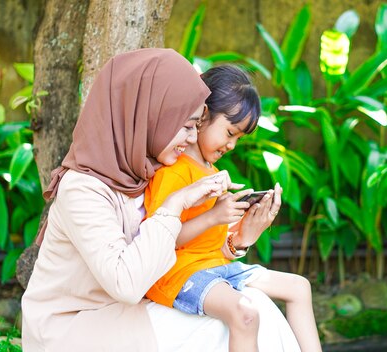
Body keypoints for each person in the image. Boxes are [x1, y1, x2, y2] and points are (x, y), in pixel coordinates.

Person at [21, 49, 300, 351]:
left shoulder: (143, 170)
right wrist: (175, 205)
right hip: (72, 329)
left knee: (256, 307)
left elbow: (177, 253)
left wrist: (239, 240)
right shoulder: (83, 189)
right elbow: (127, 283)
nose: (192, 138)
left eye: (195, 126)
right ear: (150, 115)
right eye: (185, 125)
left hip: (121, 314)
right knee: (229, 323)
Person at [144, 65, 321, 352]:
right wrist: (215, 215)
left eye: (238, 138)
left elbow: (213, 243)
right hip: (178, 276)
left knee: (299, 287)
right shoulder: (175, 171)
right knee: (245, 314)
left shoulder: (212, 171)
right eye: (230, 132)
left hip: (216, 269)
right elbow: (160, 239)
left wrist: (244, 230)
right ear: (202, 116)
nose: (232, 144)